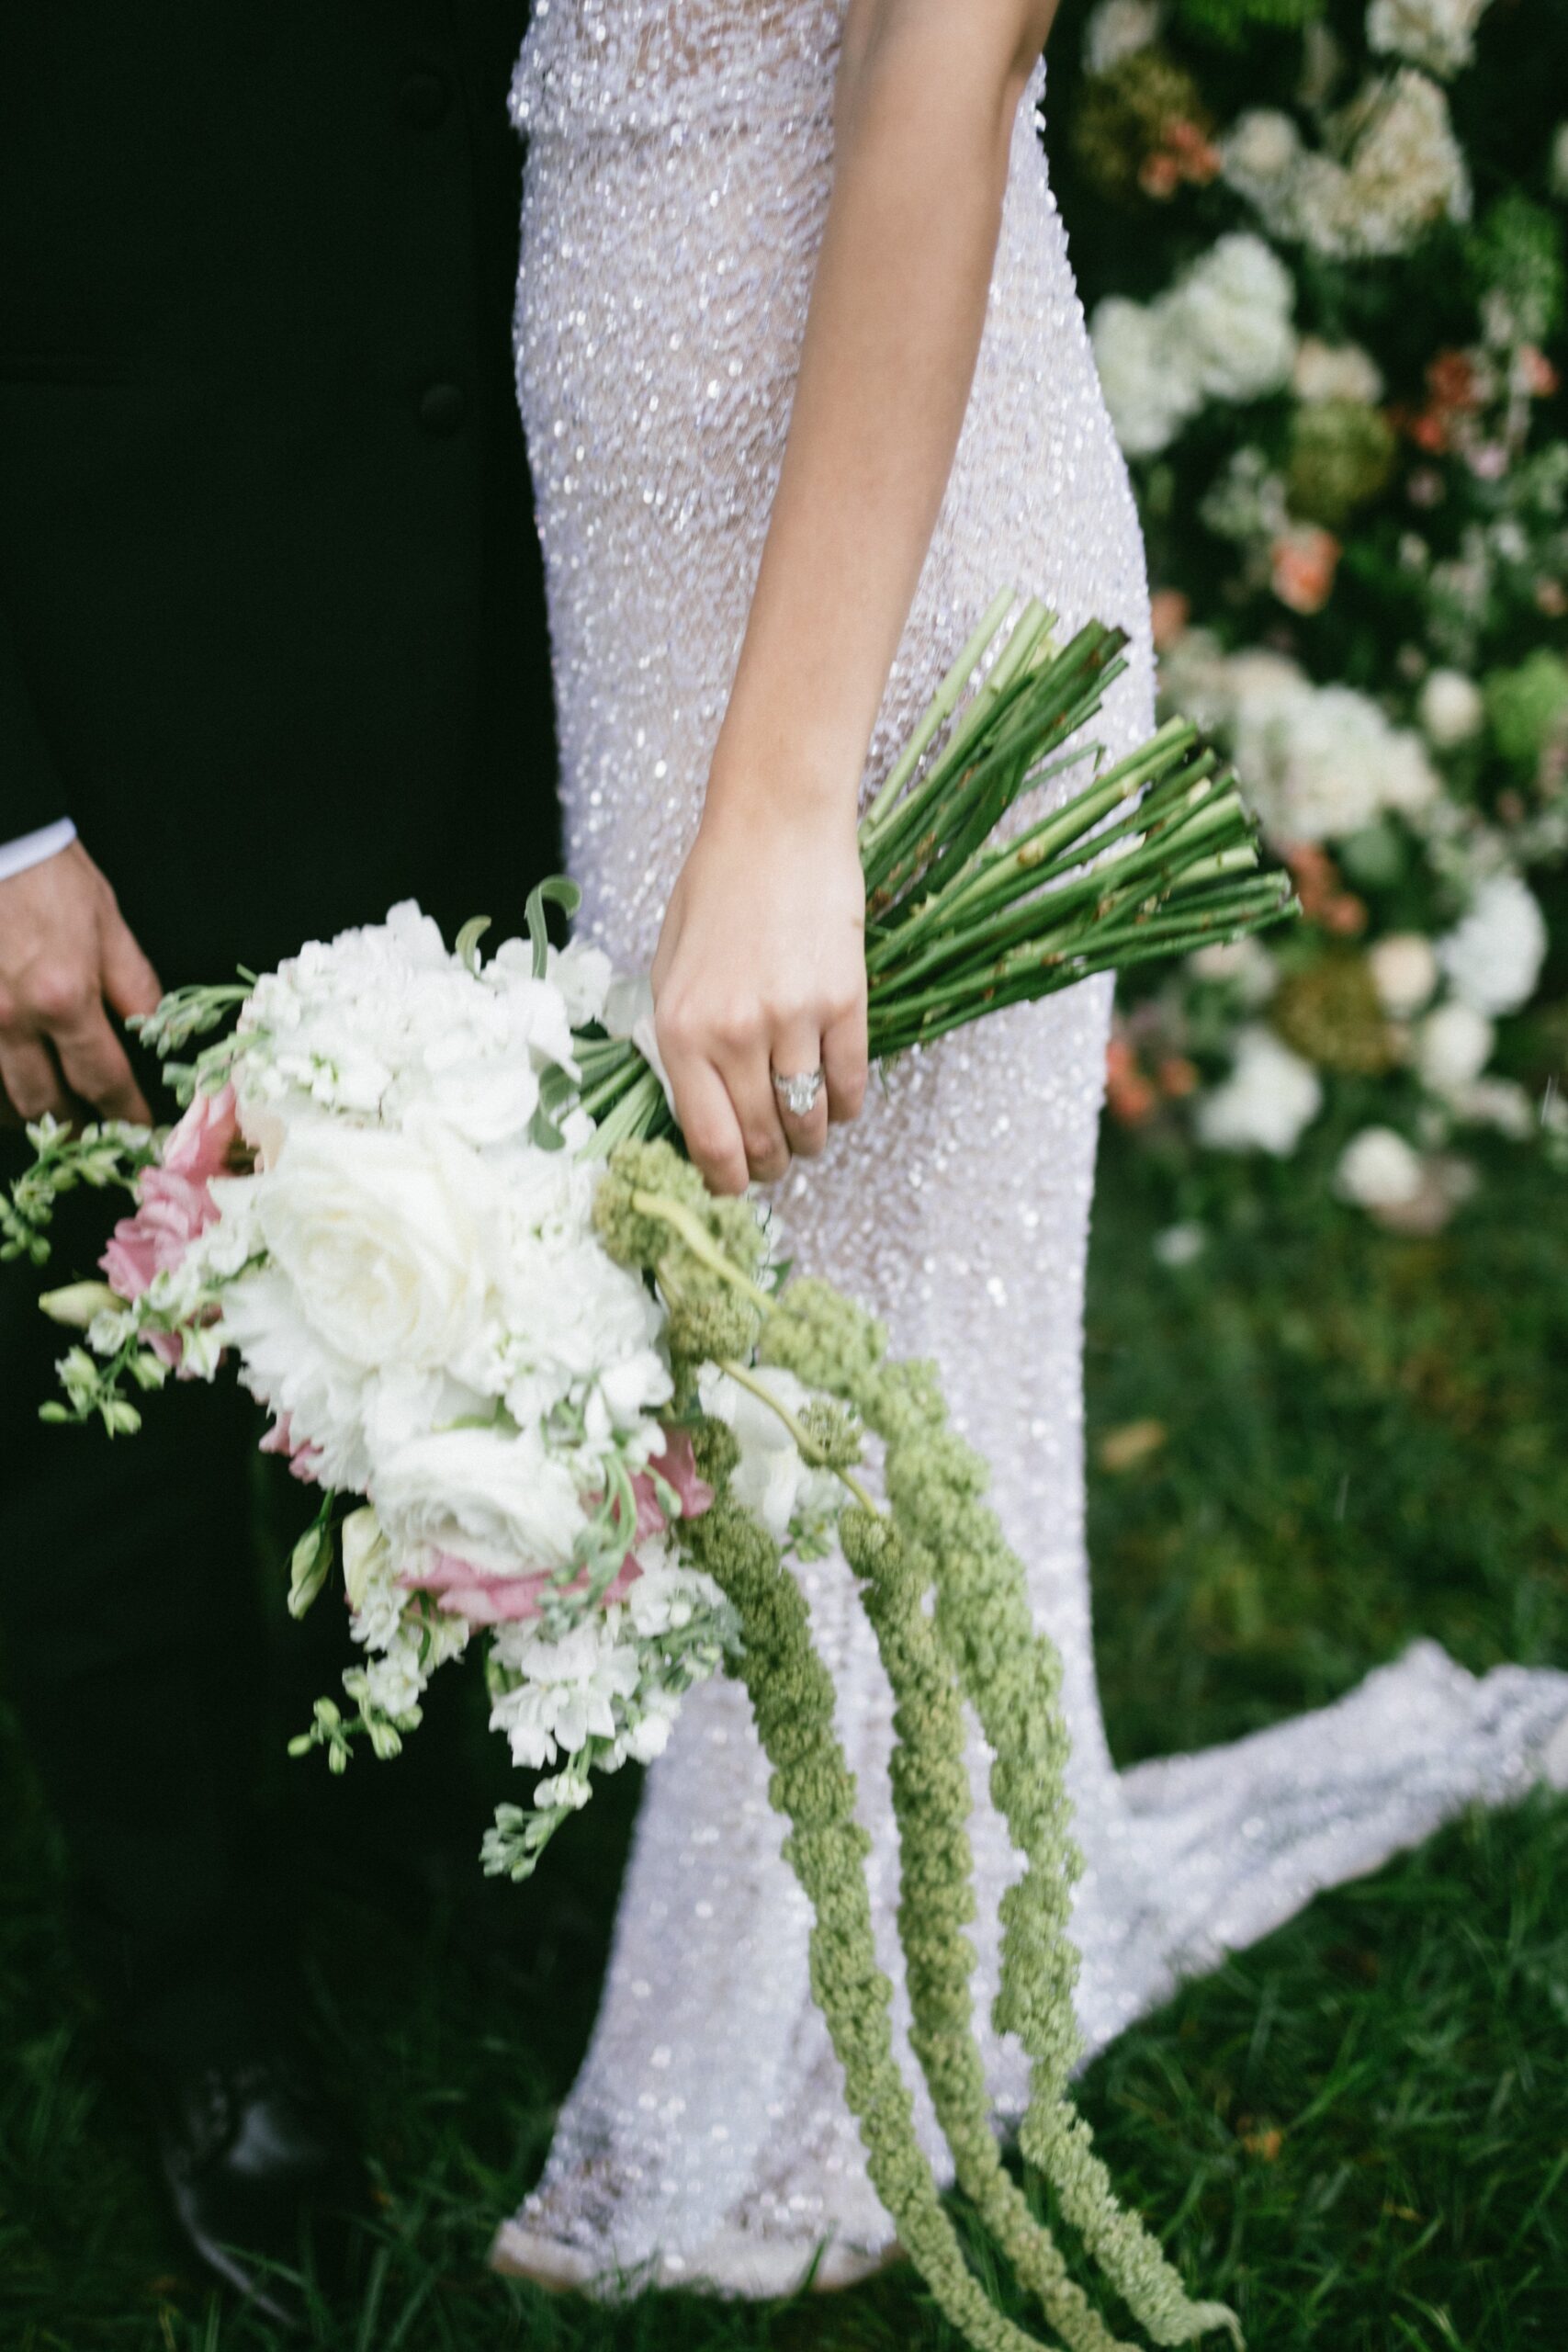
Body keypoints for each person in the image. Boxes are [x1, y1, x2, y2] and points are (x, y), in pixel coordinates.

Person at [495, 0, 1568, 2294]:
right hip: (648, 482)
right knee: (758, 1319)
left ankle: (851, 2021)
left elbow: (943, 71)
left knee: (856, 1331)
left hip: (857, 549)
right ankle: (832, 1962)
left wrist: (786, 803)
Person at [0, 4, 557, 2323]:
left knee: (472, 1246)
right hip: (110, 632)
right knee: (90, 1385)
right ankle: (195, 1977)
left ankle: (419, 1796)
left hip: (501, 600)